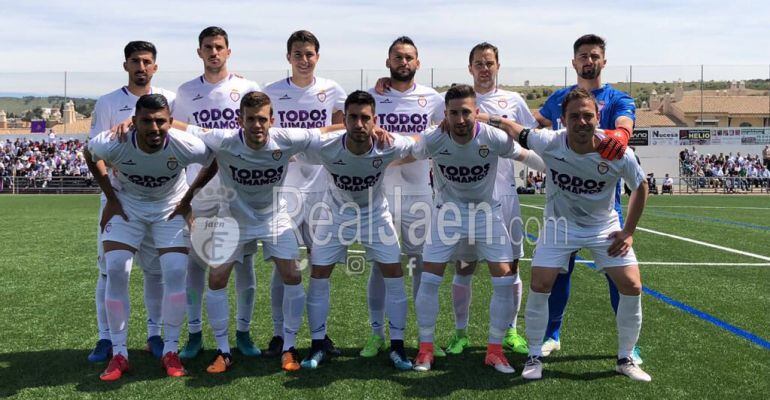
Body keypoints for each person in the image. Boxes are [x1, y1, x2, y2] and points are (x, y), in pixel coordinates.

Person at [171, 91, 342, 373]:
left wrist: (366, 126)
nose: (257, 125)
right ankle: (223, 351)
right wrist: (135, 121)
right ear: (241, 120)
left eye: (262, 119)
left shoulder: (286, 139)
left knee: (293, 275)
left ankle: (288, 347)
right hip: (233, 220)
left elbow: (324, 131)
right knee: (216, 277)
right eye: (250, 119)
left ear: (272, 120)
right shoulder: (223, 139)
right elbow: (184, 127)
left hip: (273, 218)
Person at [494, 87, 651, 382]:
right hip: (559, 226)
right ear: (563, 119)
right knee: (540, 284)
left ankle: (626, 358)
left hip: (603, 227)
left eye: (587, 116)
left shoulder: (618, 152)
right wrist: (481, 116)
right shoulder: (549, 141)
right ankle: (534, 355)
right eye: (574, 116)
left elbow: (641, 187)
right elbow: (514, 129)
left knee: (631, 285)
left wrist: (628, 231)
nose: (582, 122)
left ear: (598, 117)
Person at [410, 84, 543, 374]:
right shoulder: (434, 139)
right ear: (444, 114)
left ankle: (494, 350)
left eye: (466, 112)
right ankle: (425, 348)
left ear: (477, 112)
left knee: (505, 278)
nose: (460, 119)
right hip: (447, 214)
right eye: (454, 113)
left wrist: (556, 168)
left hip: (486, 213)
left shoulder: (493, 137)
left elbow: (523, 155)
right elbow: (406, 151)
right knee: (430, 277)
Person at [85, 94, 211, 381]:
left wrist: (189, 197)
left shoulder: (185, 143)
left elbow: (212, 160)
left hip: (169, 208)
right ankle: (119, 353)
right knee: (116, 268)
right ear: (134, 122)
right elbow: (89, 154)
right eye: (146, 121)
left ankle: (170, 350)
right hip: (128, 205)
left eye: (160, 121)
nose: (154, 128)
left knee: (176, 271)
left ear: (170, 121)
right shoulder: (113, 141)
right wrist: (110, 197)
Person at [533, 34, 642, 363]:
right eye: (583, 55)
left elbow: (625, 126)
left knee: (618, 273)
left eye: (594, 55)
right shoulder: (558, 99)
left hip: (604, 205)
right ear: (574, 62)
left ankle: (628, 347)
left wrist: (618, 137)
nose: (588, 61)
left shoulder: (618, 98)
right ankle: (552, 334)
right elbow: (534, 124)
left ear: (603, 61)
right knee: (558, 272)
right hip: (562, 202)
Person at [294, 90, 413, 371]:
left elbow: (423, 143)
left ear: (375, 120)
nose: (359, 124)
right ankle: (317, 345)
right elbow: (295, 138)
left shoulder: (389, 145)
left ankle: (397, 347)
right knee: (319, 275)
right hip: (335, 215)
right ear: (344, 119)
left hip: (375, 216)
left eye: (365, 118)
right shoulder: (326, 145)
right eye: (353, 118)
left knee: (394, 276)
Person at [443, 43, 541, 357]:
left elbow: (530, 138)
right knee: (464, 266)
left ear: (498, 65)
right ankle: (460, 334)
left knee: (510, 266)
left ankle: (510, 331)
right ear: (469, 67)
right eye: (478, 63)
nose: (484, 68)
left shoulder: (514, 101)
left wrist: (491, 119)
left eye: (489, 63)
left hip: (506, 196)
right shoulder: (458, 101)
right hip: (466, 199)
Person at [172, 26, 263, 361]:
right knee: (195, 266)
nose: (214, 52)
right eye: (208, 47)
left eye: (219, 47)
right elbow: (179, 139)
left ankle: (243, 332)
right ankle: (194, 334)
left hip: (239, 194)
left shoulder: (247, 88)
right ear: (199, 52)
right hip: (200, 192)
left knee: (243, 265)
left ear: (228, 51)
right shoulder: (185, 92)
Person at [86, 41, 176, 363]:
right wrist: (110, 197)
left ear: (155, 66)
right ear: (125, 65)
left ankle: (155, 334)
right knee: (110, 271)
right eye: (135, 61)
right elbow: (94, 153)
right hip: (118, 198)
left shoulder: (170, 100)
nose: (141, 66)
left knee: (155, 271)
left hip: (158, 200)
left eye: (147, 61)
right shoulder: (108, 102)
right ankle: (106, 339)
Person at [262, 30, 347, 358]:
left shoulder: (332, 91)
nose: (304, 59)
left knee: (321, 265)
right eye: (298, 54)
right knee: (282, 266)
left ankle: (319, 337)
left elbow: (341, 128)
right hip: (283, 191)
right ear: (289, 57)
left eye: (309, 54)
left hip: (323, 191)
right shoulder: (271, 92)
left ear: (317, 56)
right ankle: (279, 335)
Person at [363, 36, 445, 358]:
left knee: (421, 265)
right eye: (398, 57)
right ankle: (376, 333)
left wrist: (398, 144)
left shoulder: (433, 99)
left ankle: (426, 338)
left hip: (420, 194)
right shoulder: (372, 96)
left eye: (409, 57)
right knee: (380, 266)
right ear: (388, 62)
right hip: (380, 194)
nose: (404, 62)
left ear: (418, 63)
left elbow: (437, 137)